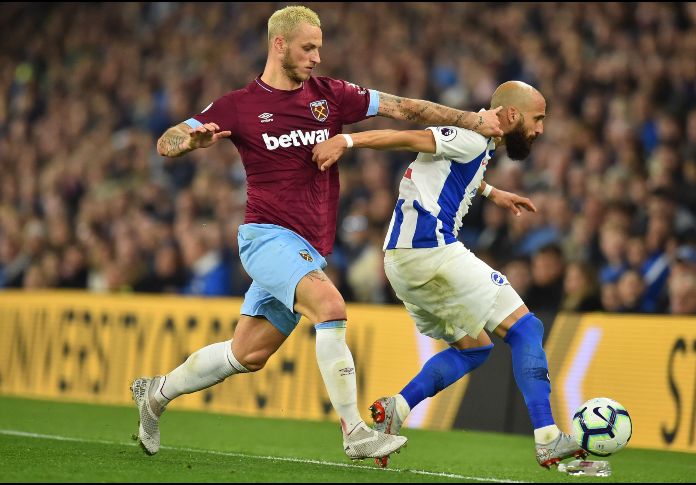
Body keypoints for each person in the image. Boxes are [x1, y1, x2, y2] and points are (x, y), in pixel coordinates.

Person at [129, 5, 504, 460]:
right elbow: (166, 140)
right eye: (308, 48)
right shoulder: (239, 106)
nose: (317, 58)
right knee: (331, 306)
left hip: (307, 248)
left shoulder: (333, 95)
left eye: (320, 48)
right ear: (279, 44)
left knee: (247, 354)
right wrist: (190, 140)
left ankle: (155, 393)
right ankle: (356, 433)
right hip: (266, 238)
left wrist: (472, 120)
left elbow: (405, 108)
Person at [312, 81, 587, 469]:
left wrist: (492, 193)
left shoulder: (479, 145)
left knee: (475, 348)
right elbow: (408, 137)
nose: (540, 129)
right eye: (537, 118)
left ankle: (397, 409)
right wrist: (349, 143)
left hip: (402, 264)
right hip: (429, 249)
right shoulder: (471, 137)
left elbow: (456, 167)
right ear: (511, 115)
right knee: (527, 329)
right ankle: (547, 438)